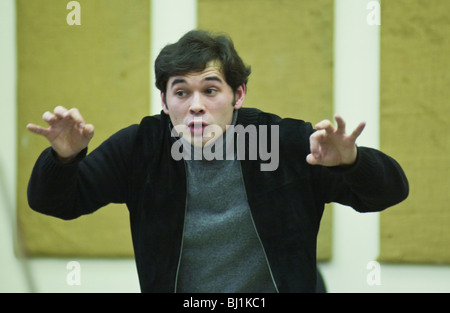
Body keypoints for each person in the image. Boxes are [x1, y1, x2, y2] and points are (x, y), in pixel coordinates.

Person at [26, 30, 409, 293]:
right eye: (181, 92)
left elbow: (389, 193)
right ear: (164, 101)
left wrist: (352, 162)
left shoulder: (285, 142)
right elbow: (55, 202)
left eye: (211, 90)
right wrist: (64, 157)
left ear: (237, 94)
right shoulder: (142, 148)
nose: (196, 106)